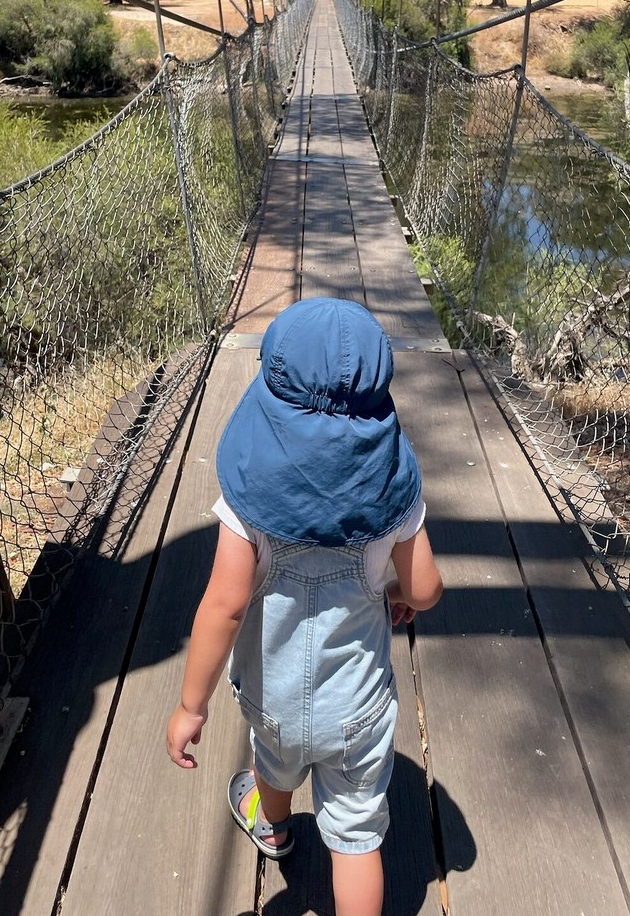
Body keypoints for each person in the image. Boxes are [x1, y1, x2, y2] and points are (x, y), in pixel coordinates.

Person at [166, 297, 443, 916]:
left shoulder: (249, 508)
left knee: (274, 765)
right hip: (359, 707)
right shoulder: (394, 496)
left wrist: (191, 706)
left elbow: (225, 604)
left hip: (276, 701)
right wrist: (395, 591)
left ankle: (275, 827)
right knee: (355, 840)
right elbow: (424, 590)